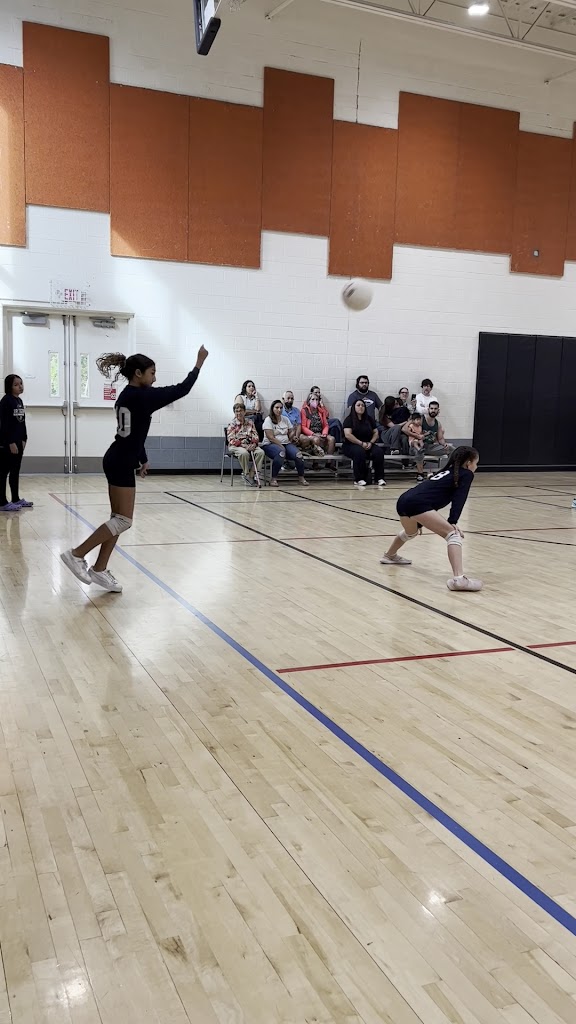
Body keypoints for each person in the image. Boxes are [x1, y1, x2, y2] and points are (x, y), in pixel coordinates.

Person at [60, 345, 209, 593]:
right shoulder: (143, 397)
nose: (155, 378)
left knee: (117, 520)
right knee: (124, 520)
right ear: (138, 373)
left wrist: (142, 457)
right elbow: (182, 389)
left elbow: (133, 432)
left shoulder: (127, 395)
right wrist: (199, 363)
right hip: (120, 461)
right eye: (152, 373)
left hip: (119, 457)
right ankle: (76, 554)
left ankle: (99, 569)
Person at [380, 446, 482, 592]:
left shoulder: (446, 472)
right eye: (476, 463)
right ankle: (459, 579)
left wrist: (420, 521)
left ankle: (389, 555)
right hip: (417, 504)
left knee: (411, 533)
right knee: (453, 535)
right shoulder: (466, 474)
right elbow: (460, 498)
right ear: (468, 463)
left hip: (404, 500)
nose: (476, 467)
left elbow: (431, 496)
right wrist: (453, 521)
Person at [0, 374, 32, 511]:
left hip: (19, 442)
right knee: (3, 472)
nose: (20, 386)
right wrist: (10, 442)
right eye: (16, 385)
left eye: (21, 383)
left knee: (15, 471)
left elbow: (21, 422)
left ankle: (15, 498)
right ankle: (2, 502)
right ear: (9, 387)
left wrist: (24, 438)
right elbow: (4, 424)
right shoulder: (6, 401)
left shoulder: (19, 401)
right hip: (8, 444)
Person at [261, 400, 308, 487]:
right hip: (270, 444)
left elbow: (290, 432)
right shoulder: (268, 420)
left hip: (286, 443)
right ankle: (273, 479)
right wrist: (281, 446)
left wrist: (293, 436)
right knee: (281, 453)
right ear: (272, 409)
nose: (279, 410)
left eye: (281, 408)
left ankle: (301, 477)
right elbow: (270, 437)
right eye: (277, 408)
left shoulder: (285, 419)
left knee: (298, 455)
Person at [342, 399, 386, 487]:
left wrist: (371, 442)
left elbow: (375, 432)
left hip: (368, 444)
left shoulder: (369, 419)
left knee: (379, 452)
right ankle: (359, 479)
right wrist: (361, 443)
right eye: (358, 405)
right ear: (354, 407)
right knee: (359, 452)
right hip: (351, 445)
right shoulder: (349, 420)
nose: (361, 407)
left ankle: (379, 478)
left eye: (362, 405)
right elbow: (348, 435)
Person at [226, 401, 264, 486]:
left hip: (250, 444)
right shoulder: (232, 424)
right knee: (244, 453)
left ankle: (251, 474)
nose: (239, 413)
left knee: (261, 452)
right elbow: (231, 439)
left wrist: (254, 444)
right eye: (236, 411)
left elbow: (255, 435)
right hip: (236, 445)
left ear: (244, 412)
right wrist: (243, 446)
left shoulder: (250, 422)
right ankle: (246, 474)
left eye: (241, 411)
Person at [414, 400, 454, 477]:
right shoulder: (421, 420)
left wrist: (444, 444)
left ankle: (452, 472)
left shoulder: (438, 424)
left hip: (430, 447)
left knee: (452, 449)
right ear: (428, 409)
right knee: (419, 450)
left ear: (438, 410)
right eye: (431, 408)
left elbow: (440, 438)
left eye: (435, 409)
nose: (433, 410)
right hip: (418, 445)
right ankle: (420, 474)